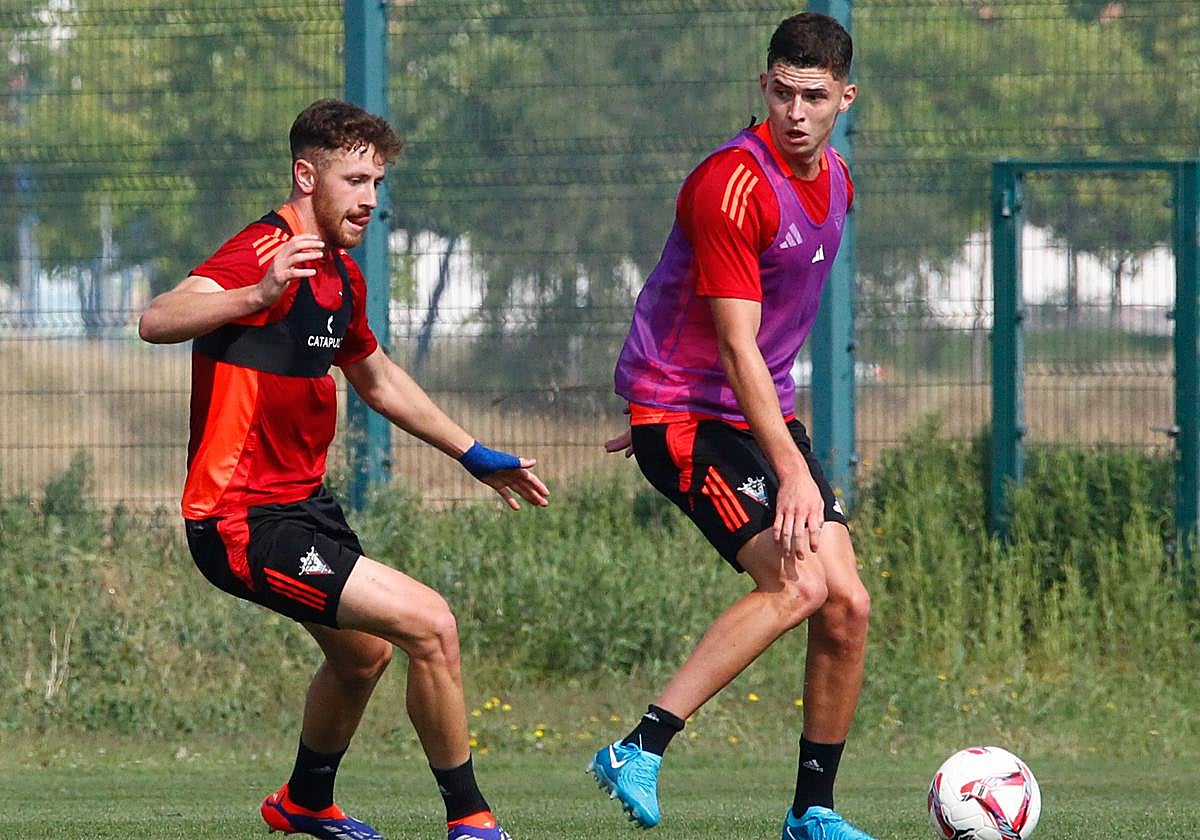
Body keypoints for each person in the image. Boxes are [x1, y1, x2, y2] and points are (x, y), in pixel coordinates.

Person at [139, 98, 549, 840]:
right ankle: (471, 820)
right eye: (355, 180)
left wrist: (473, 454)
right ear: (307, 176)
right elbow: (156, 319)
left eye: (377, 183)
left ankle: (304, 802)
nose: (369, 199)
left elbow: (378, 378)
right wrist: (255, 294)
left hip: (305, 507)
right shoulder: (263, 252)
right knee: (432, 625)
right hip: (240, 519)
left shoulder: (341, 277)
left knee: (363, 657)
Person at [588, 13, 875, 840]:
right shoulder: (732, 184)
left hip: (746, 414)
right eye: (782, 93)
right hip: (689, 415)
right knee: (798, 585)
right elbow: (734, 342)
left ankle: (812, 812)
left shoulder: (839, 183)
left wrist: (773, 447)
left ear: (846, 98)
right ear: (763, 87)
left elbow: (752, 323)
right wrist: (780, 466)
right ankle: (638, 748)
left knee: (847, 606)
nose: (795, 112)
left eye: (814, 96)